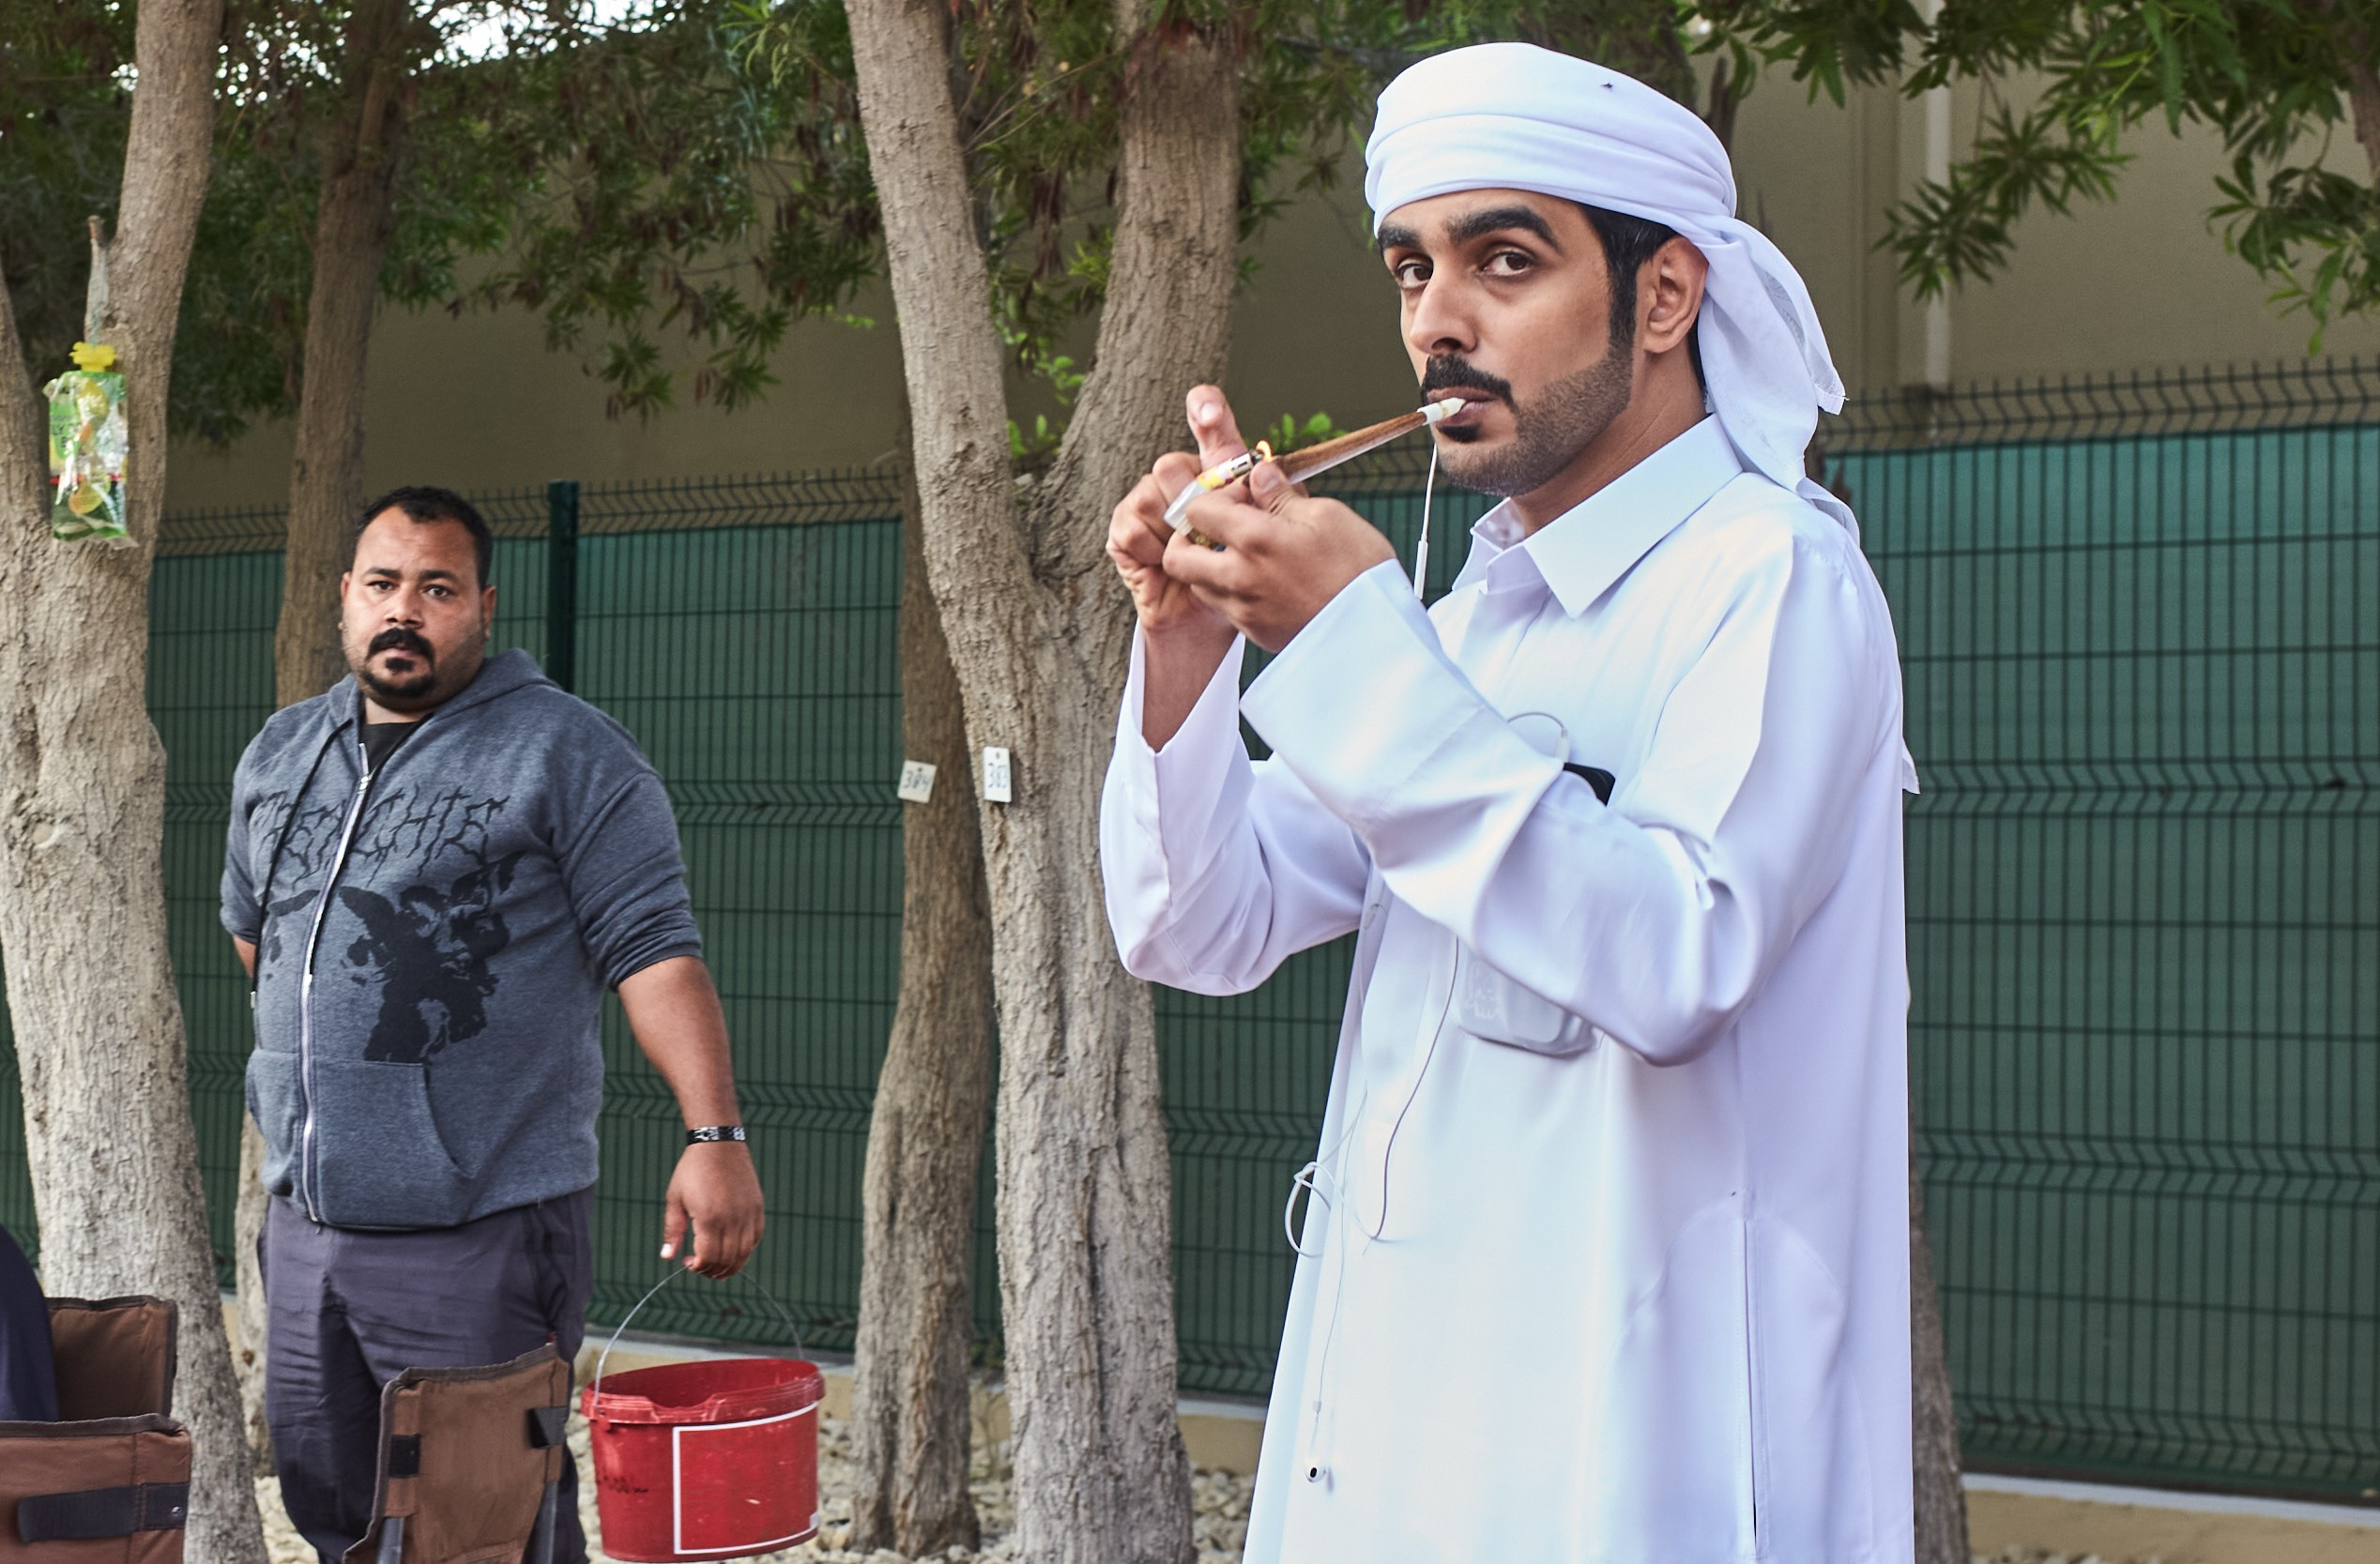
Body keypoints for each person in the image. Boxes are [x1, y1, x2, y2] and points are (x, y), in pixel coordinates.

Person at [1102, 42, 1917, 1564]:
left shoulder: (1774, 581)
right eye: (1412, 269)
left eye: (1505, 259)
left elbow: (1681, 958)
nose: (1438, 321)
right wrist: (1186, 652)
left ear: (1664, 296)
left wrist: (1351, 643)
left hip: (1638, 1461)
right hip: (1395, 1434)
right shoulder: (1466, 624)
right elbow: (1190, 919)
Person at [222, 486, 766, 1564]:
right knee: (330, 1505)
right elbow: (258, 935)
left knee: (486, 1525)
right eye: (383, 583)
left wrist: (715, 1136)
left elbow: (652, 949)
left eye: (437, 588)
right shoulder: (284, 751)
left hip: (478, 1226)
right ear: (345, 597)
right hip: (307, 1227)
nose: (405, 610)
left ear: (483, 604)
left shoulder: (565, 752)